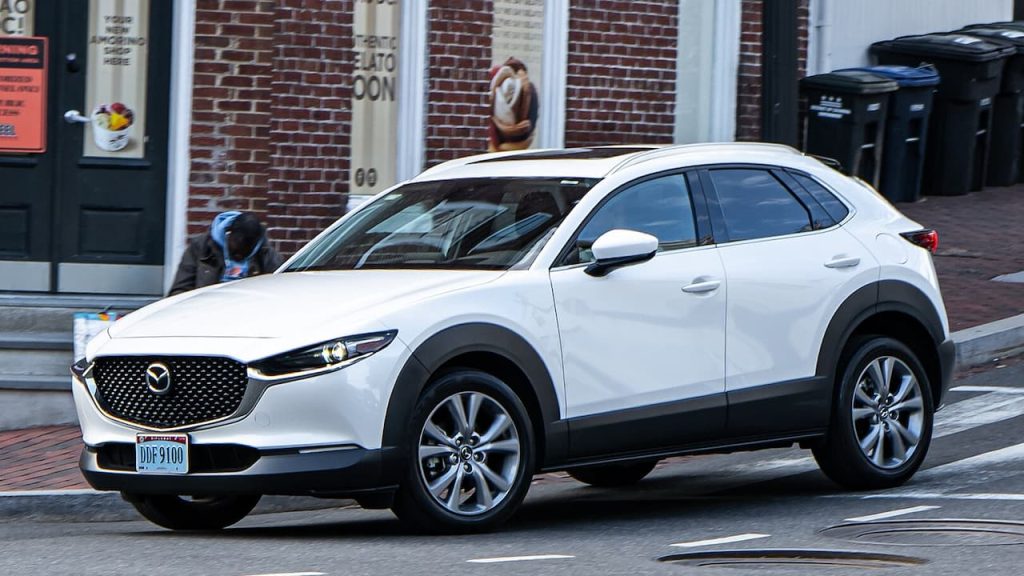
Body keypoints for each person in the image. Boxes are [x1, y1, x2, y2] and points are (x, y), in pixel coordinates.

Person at [169, 211, 283, 296]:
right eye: (235, 250)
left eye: (244, 253)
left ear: (256, 244)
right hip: (204, 311)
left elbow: (280, 293)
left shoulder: (266, 256)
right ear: (228, 234)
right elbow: (179, 291)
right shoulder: (201, 247)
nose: (238, 255)